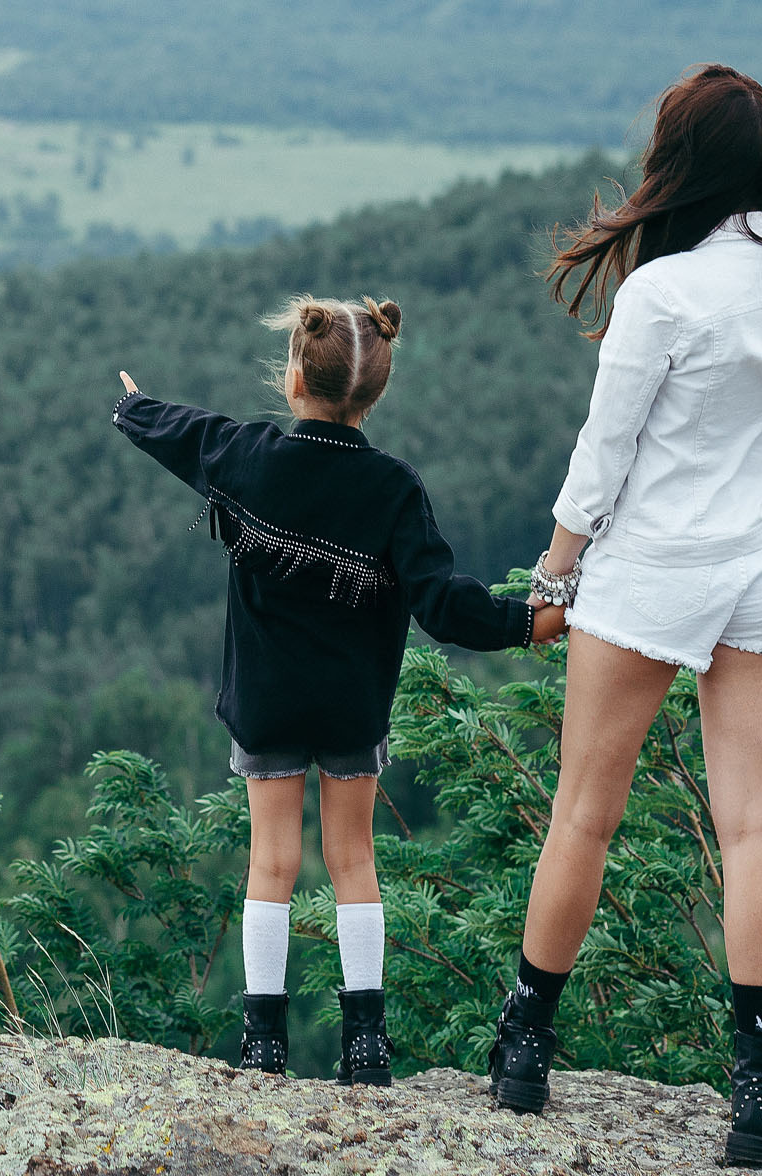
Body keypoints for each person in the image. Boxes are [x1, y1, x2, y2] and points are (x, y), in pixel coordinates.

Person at [486, 64, 762, 1169]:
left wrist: (554, 580)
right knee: (754, 832)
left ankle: (524, 1049)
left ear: (678, 164)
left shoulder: (662, 292)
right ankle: (761, 1097)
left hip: (652, 571)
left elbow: (603, 459)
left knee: (583, 816)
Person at [115, 294, 563, 1084]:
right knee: (352, 860)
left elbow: (188, 435)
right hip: (352, 706)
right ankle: (365, 1046)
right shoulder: (392, 488)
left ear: (294, 379)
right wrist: (526, 622)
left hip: (266, 702)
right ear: (374, 393)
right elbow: (442, 603)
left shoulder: (251, 458)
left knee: (272, 863)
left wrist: (134, 407)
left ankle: (263, 1045)